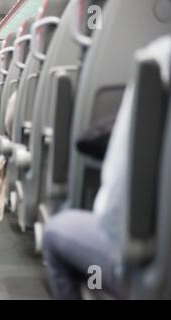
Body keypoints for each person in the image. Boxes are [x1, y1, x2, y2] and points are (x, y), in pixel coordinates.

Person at [42, 36, 170, 300]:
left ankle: (96, 286)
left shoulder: (159, 58)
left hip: (155, 267)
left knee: (55, 231)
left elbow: (115, 213)